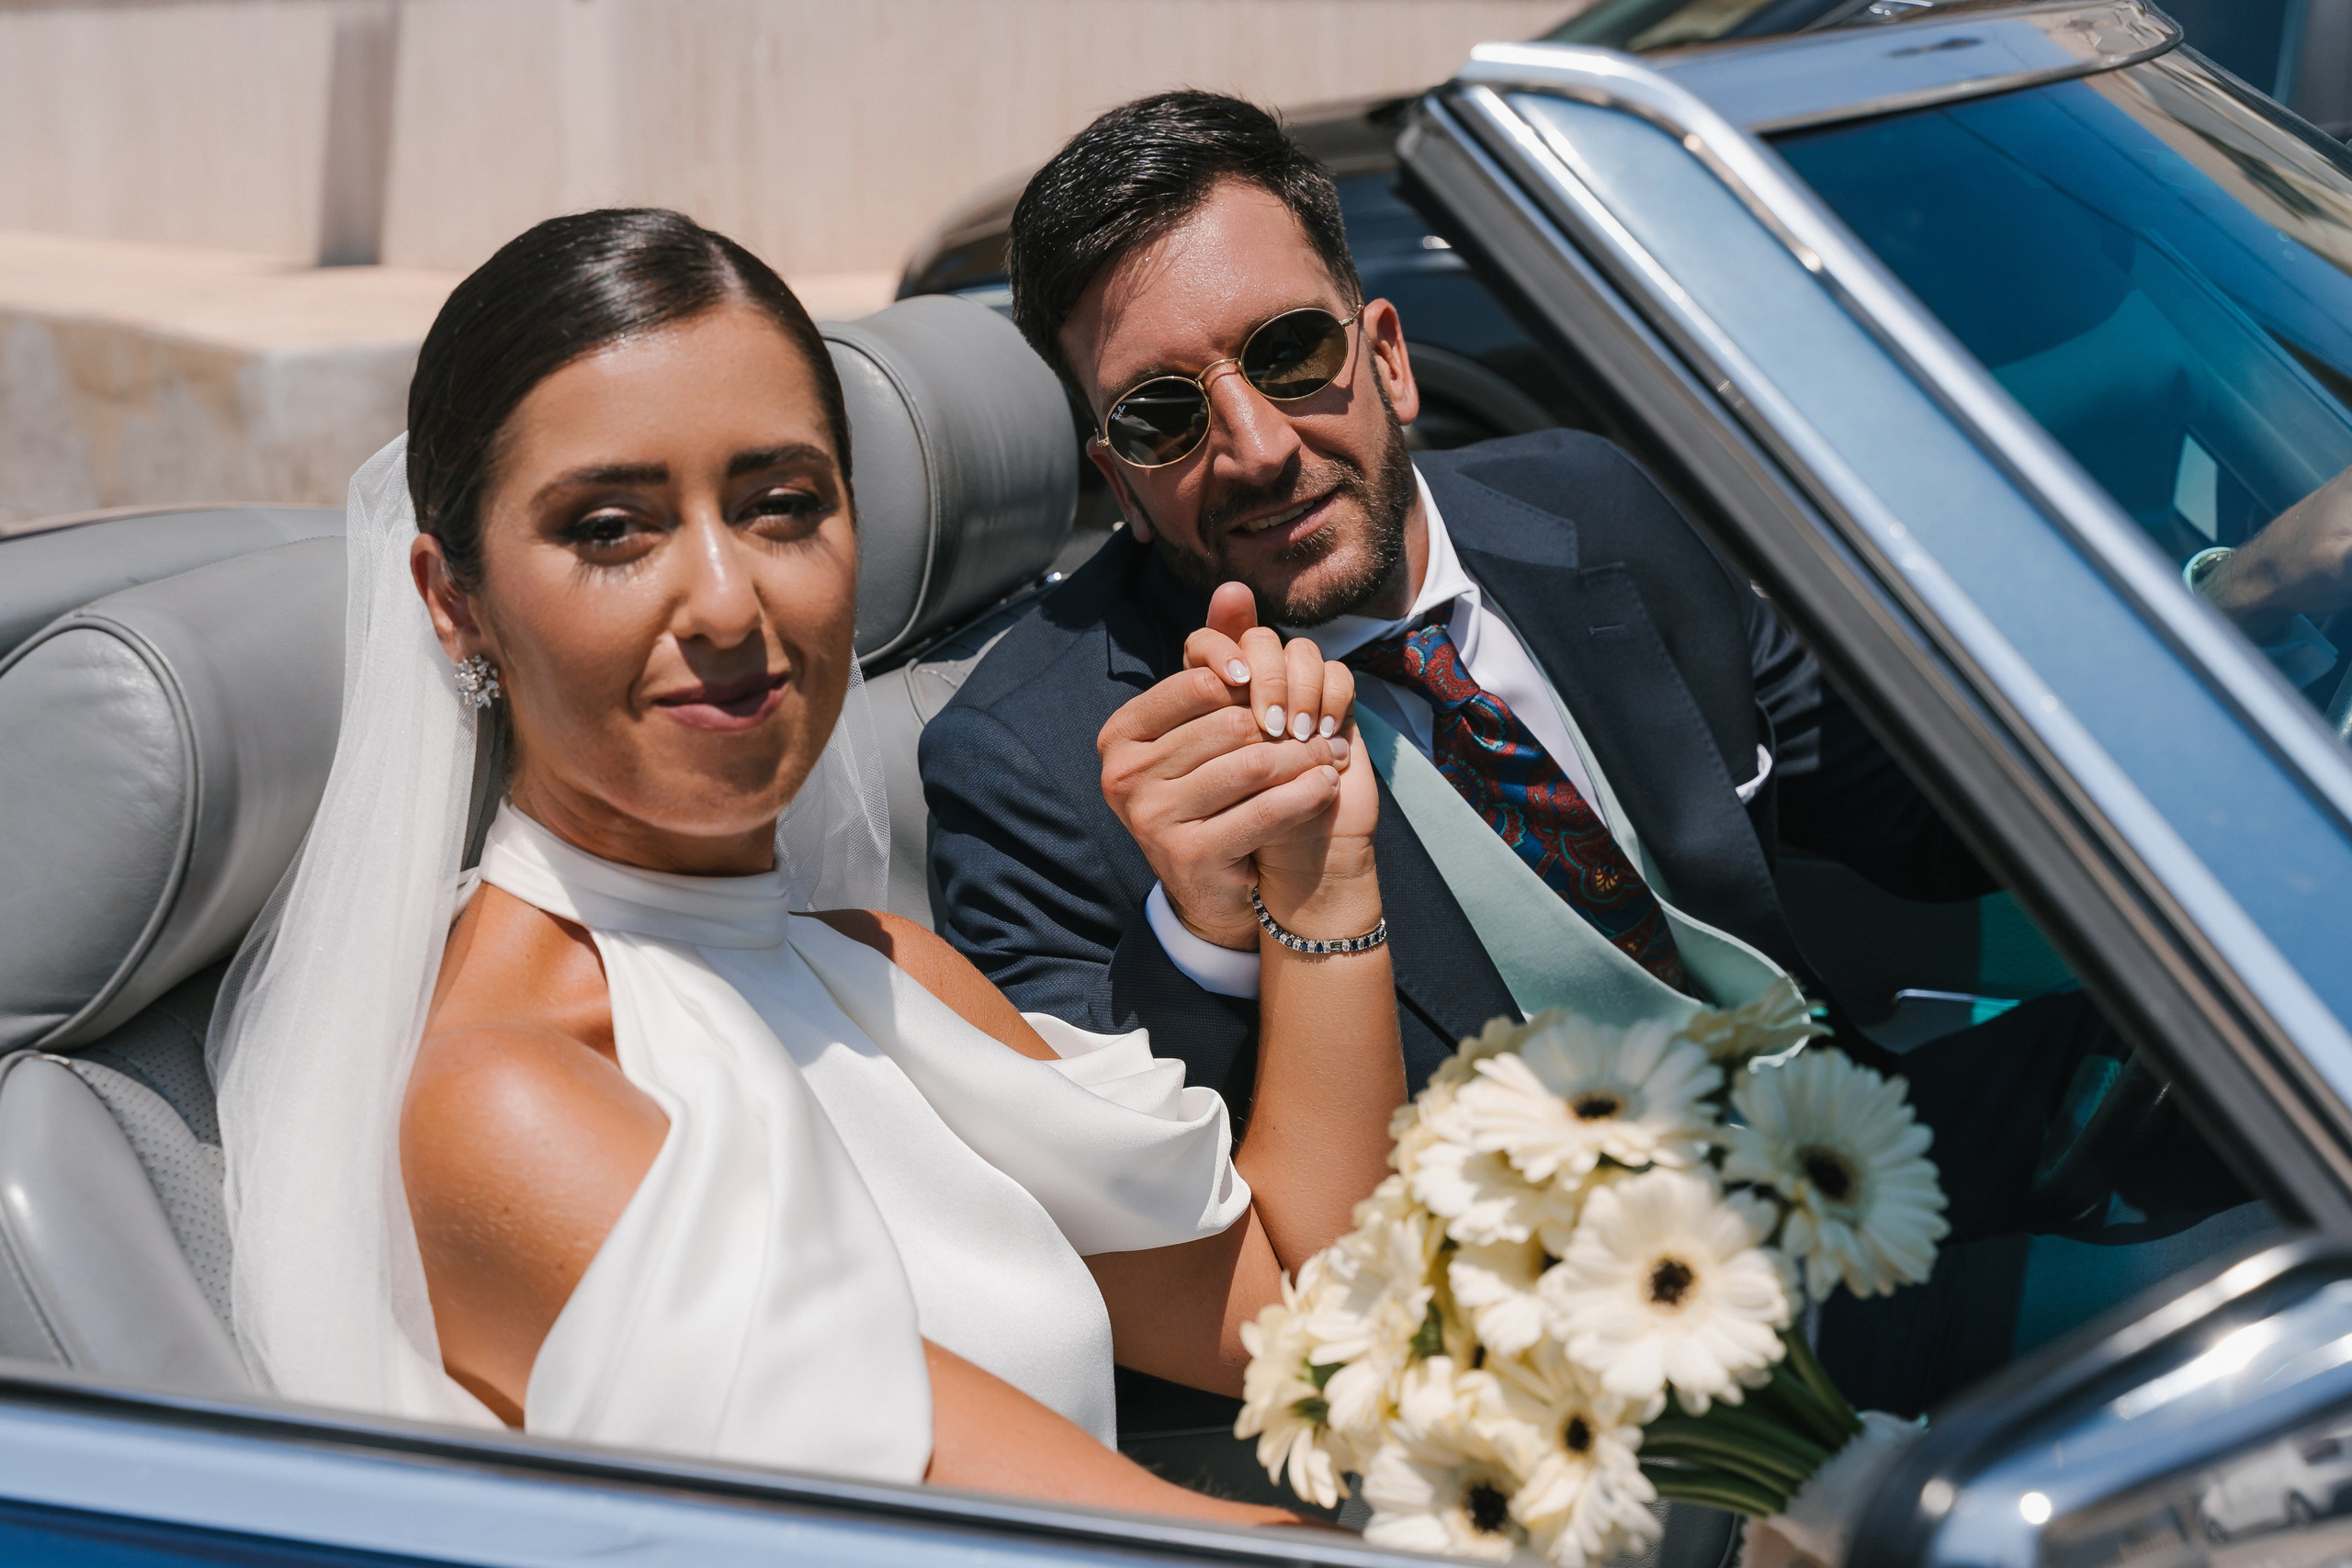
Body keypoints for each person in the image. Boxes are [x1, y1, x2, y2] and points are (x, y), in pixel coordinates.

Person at [916, 92, 2281, 1437]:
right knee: (2260, 1335)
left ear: (1386, 354)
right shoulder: (1032, 758)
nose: (1257, 447)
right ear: (1120, 474)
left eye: (1287, 351)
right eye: (1165, 416)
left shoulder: (1595, 503)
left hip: (1847, 1136)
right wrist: (1210, 930)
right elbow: (1158, 1223)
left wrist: (2242, 625)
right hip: (1592, 1356)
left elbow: (1928, 818)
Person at [204, 208, 1408, 1523]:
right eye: (612, 528)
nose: (728, 603)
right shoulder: (507, 1095)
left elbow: (1308, 1323)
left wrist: (1321, 880)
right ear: (454, 602)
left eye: (783, 507)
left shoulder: (888, 973)